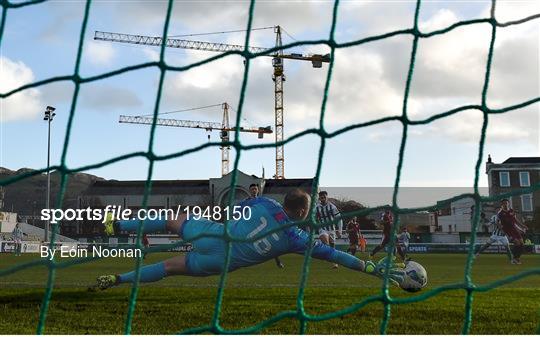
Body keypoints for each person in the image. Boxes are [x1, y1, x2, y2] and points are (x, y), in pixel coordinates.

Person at [94, 189, 405, 290]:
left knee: (171, 220)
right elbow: (336, 256)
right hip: (220, 262)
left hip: (212, 235)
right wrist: (367, 268)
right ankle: (117, 278)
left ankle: (118, 225)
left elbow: (233, 210)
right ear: (301, 211)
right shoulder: (297, 238)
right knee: (169, 267)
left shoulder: (266, 203)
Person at [242, 183, 285, 269]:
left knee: (271, 242)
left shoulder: (263, 200)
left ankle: (278, 261)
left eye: (255, 189)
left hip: (262, 224)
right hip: (251, 224)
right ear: (249, 191)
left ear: (258, 190)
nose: (254, 190)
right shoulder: (246, 202)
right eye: (252, 189)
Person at [315, 191, 343, 269]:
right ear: (319, 198)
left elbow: (339, 219)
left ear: (327, 197)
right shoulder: (316, 208)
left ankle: (334, 263)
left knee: (332, 247)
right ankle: (325, 251)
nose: (323, 199)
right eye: (321, 197)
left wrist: (339, 231)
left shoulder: (332, 207)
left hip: (332, 230)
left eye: (324, 197)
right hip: (322, 229)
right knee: (326, 241)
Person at [497, 199, 527, 264]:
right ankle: (514, 258)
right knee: (517, 243)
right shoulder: (500, 213)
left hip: (514, 229)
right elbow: (498, 223)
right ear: (502, 205)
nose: (505, 204)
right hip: (508, 231)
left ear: (509, 203)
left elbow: (515, 220)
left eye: (506, 203)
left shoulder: (512, 211)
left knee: (522, 243)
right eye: (504, 203)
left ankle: (516, 258)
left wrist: (522, 226)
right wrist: (502, 231)